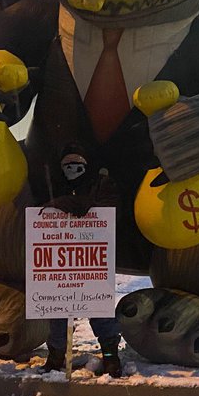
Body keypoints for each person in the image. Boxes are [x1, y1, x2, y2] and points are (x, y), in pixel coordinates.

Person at [40, 143, 124, 377]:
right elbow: (40, 211)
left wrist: (71, 205)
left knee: (99, 306)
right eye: (67, 163)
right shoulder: (51, 184)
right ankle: (56, 355)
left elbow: (110, 210)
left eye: (77, 162)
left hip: (94, 261)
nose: (72, 167)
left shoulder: (102, 184)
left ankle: (110, 357)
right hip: (60, 261)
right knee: (57, 309)